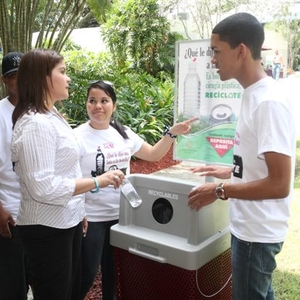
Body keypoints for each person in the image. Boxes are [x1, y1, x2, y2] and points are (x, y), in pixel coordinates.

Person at [187, 13, 296, 300]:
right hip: (249, 227)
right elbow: (260, 163)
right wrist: (231, 171)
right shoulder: (252, 93)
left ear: (241, 51)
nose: (212, 59)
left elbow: (279, 184)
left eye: (216, 51)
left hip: (256, 234)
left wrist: (219, 190)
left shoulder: (268, 102)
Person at [10, 49, 125, 300]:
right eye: (62, 72)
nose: (68, 78)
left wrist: (79, 209)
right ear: (43, 78)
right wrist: (99, 180)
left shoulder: (52, 116)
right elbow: (43, 187)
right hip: (46, 228)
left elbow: (68, 167)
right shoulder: (35, 124)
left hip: (65, 221)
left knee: (70, 292)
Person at [73, 80, 197, 300]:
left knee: (114, 275)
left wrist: (172, 133)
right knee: (86, 274)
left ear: (114, 105)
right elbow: (69, 179)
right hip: (90, 218)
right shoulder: (76, 137)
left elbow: (153, 154)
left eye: (104, 101)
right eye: (92, 101)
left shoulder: (124, 133)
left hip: (123, 216)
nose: (98, 106)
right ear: (86, 104)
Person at [0, 52, 28, 300]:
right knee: (13, 285)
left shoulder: (43, 110)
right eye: (12, 77)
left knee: (38, 278)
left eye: (23, 75)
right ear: (4, 80)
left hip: (42, 214)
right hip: (10, 212)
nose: (18, 81)